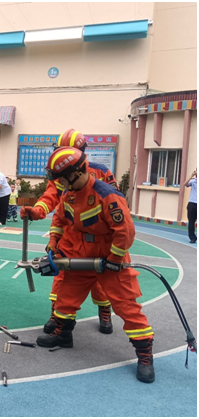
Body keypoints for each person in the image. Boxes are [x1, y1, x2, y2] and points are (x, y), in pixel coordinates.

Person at [34, 147, 155, 383]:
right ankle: (63, 335)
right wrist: (54, 241)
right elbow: (59, 218)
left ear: (75, 173)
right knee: (66, 297)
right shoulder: (68, 193)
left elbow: (125, 232)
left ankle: (145, 355)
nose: (59, 183)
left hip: (109, 256)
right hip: (81, 254)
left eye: (61, 178)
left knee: (126, 306)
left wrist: (115, 260)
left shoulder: (107, 195)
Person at [21, 129, 117, 335]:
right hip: (70, 237)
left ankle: (104, 310)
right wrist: (37, 211)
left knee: (101, 277)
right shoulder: (59, 171)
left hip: (99, 239)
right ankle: (58, 317)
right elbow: (51, 197)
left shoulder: (101, 172)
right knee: (62, 276)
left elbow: (115, 202)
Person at [185, 169, 197, 243]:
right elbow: (185, 184)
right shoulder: (193, 181)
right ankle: (192, 237)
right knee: (191, 222)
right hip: (192, 203)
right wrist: (191, 176)